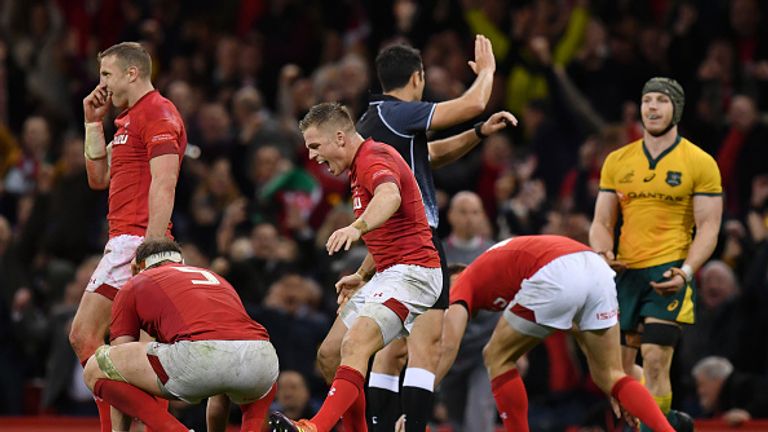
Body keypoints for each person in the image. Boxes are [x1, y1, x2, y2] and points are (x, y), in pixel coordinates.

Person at [332, 37, 516, 432]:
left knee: (390, 347)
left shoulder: (373, 123)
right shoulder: (399, 115)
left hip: (389, 247)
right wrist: (487, 72)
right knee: (425, 346)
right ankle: (411, 426)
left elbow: (431, 156)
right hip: (420, 241)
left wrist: (479, 133)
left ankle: (378, 425)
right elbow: (471, 104)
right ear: (418, 78)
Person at [269, 102, 442, 432]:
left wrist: (356, 227)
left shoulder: (374, 158)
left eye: (316, 146)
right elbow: (390, 229)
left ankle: (312, 428)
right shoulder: (358, 167)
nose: (313, 156)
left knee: (355, 344)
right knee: (330, 354)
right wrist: (362, 274)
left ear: (339, 137)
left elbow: (389, 196)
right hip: (389, 271)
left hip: (414, 272)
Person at [436, 235, 675, 432]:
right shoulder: (501, 270)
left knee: (495, 356)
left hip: (556, 270)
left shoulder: (461, 282)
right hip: (595, 268)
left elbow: (447, 345)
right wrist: (613, 389)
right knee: (610, 375)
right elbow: (577, 326)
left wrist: (421, 391)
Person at [590, 77, 722, 431]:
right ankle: (669, 421)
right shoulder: (618, 161)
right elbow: (602, 221)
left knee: (655, 360)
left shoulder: (699, 162)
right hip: (626, 273)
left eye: (661, 100)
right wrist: (603, 253)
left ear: (676, 109)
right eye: (647, 100)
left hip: (669, 272)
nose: (652, 107)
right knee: (615, 374)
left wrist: (687, 271)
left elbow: (709, 227)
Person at [68, 41, 187, 431]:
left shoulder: (159, 112)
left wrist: (150, 253)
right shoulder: (124, 119)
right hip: (126, 240)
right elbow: (97, 179)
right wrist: (91, 122)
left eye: (106, 74)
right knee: (131, 357)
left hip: (137, 242)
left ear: (131, 73)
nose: (101, 83)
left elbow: (164, 185)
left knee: (85, 337)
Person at [81, 238, 279, 432]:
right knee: (255, 379)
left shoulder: (136, 282)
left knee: (95, 367)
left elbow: (117, 366)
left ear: (137, 267)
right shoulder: (214, 278)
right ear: (181, 262)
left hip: (197, 356)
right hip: (263, 357)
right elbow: (223, 370)